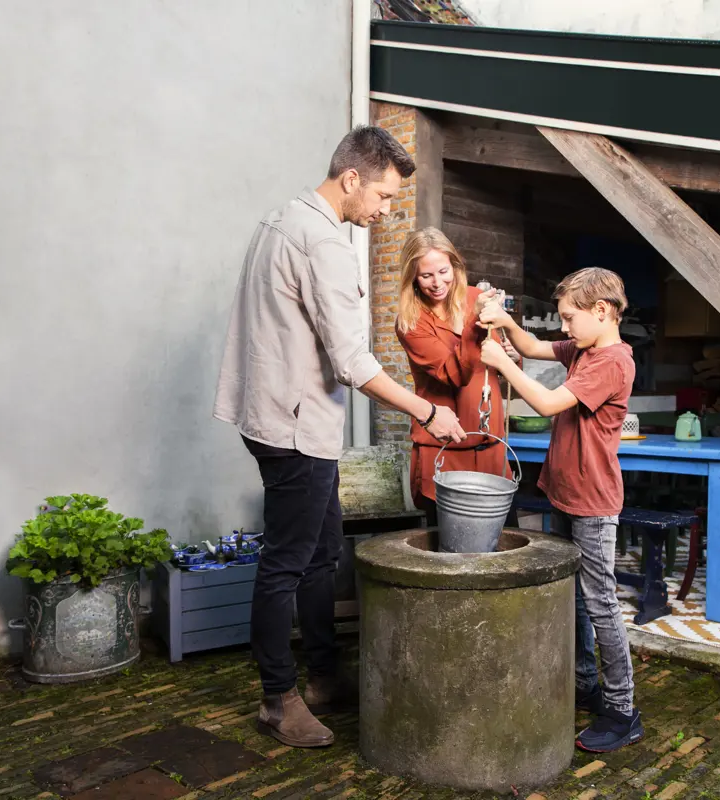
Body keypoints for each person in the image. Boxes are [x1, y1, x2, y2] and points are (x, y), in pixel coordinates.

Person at [214, 126, 467, 749]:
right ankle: (279, 699)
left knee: (322, 552)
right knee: (288, 561)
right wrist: (427, 412)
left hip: (274, 416)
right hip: (295, 428)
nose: (384, 213)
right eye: (381, 197)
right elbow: (354, 363)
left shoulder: (280, 219)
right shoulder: (323, 243)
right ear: (351, 179)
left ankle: (324, 675)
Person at [477, 266, 643, 753]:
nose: (564, 328)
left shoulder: (611, 362)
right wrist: (506, 326)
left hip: (593, 500)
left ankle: (621, 709)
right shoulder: (586, 349)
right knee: (576, 598)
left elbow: (549, 403)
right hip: (568, 492)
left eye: (571, 318)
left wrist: (501, 364)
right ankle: (586, 683)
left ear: (602, 311)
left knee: (601, 605)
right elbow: (533, 348)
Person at [394, 228, 521, 526]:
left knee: (505, 553)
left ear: (455, 266)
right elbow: (454, 374)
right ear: (412, 276)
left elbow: (497, 364)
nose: (438, 283)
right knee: (450, 558)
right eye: (426, 275)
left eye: (443, 271)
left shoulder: (475, 298)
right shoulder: (411, 322)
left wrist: (512, 357)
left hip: (491, 449)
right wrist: (474, 328)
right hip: (443, 454)